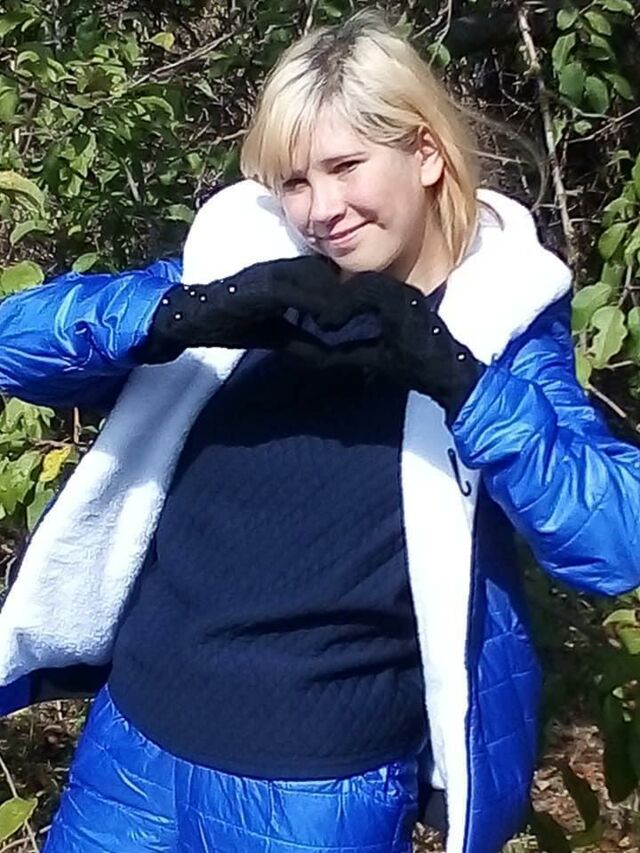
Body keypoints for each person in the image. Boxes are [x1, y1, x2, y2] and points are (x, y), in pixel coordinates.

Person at [0, 9, 639, 853]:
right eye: (294, 181)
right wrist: (182, 311)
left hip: (315, 790)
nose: (321, 209)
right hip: (134, 749)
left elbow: (616, 537)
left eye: (345, 166)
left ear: (425, 152)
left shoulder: (501, 320)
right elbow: (14, 344)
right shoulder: (249, 267)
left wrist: (462, 381)